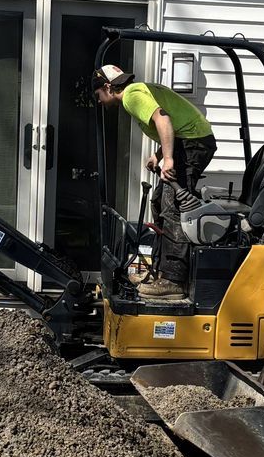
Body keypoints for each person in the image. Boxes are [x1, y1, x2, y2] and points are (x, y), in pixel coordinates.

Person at [93, 64, 217, 300]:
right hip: (189, 140)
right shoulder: (138, 91)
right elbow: (172, 124)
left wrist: (168, 159)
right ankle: (161, 273)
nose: (99, 101)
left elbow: (162, 119)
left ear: (108, 87)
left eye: (98, 94)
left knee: (173, 207)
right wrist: (159, 156)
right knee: (161, 200)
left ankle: (173, 280)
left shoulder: (130, 95)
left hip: (194, 142)